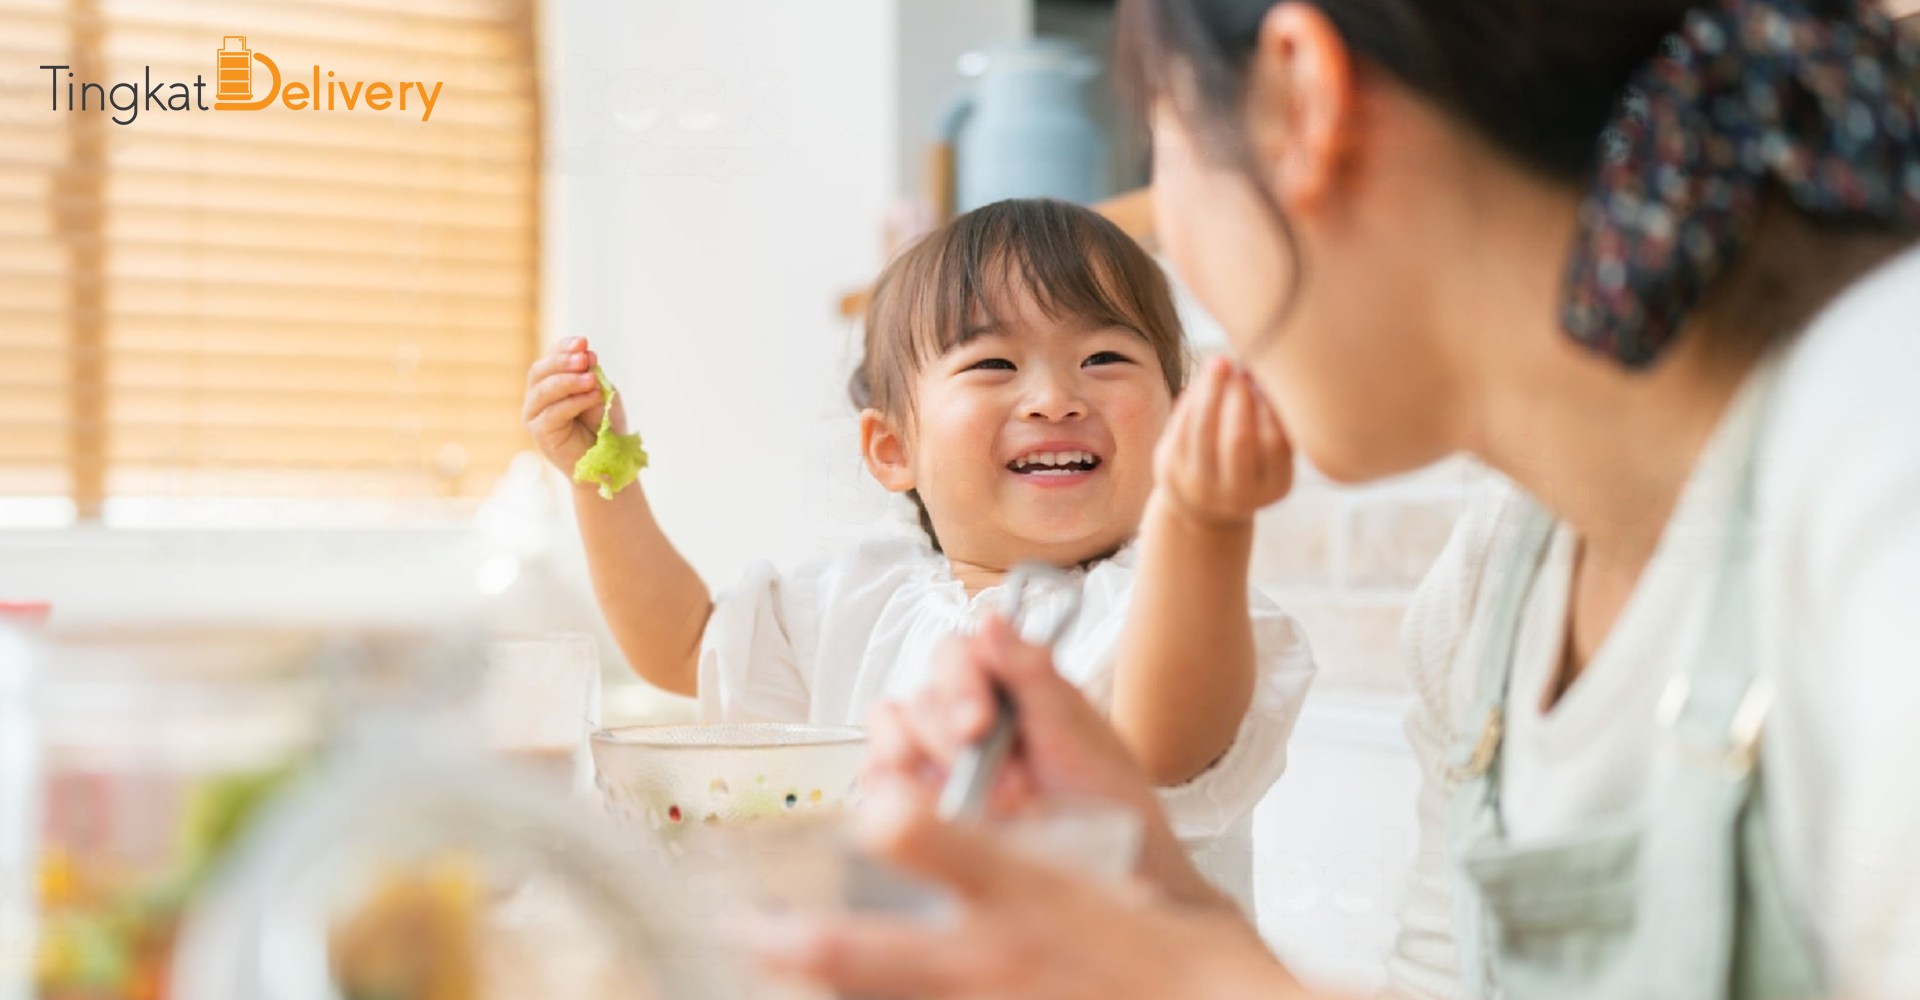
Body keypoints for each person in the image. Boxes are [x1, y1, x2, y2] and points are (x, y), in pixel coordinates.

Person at [747, 0, 1920, 997]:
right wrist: (1165, 902)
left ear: (1299, 102)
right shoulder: (1490, 592)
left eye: (1161, 150)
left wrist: (1196, 975)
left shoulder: (1882, 445)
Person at [520, 198, 1317, 907]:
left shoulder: (1176, 614)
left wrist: (1205, 524)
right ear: (894, 448)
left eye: (1104, 358)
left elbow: (1163, 746)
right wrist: (603, 483)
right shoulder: (851, 605)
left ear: (1176, 418)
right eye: (995, 364)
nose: (1054, 397)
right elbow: (686, 648)